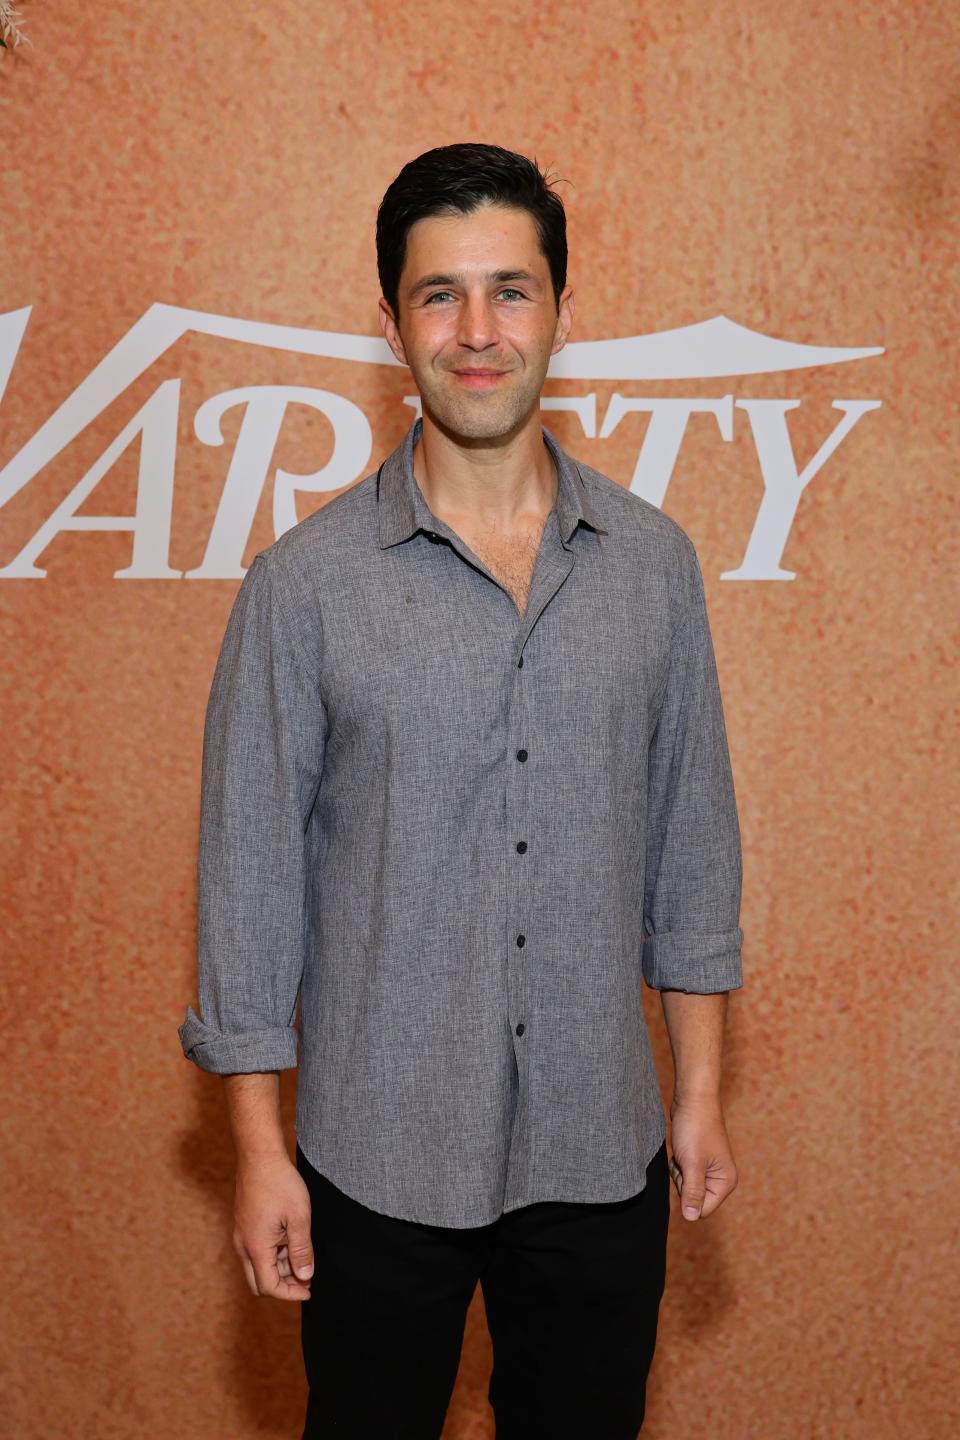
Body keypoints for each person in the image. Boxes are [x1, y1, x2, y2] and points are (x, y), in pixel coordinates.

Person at [179, 141, 745, 1440]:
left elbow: (692, 843)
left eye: (511, 290)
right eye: (441, 295)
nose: (478, 332)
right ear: (392, 322)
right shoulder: (304, 586)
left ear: (559, 307)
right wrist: (261, 1152)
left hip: (602, 1147)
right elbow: (250, 881)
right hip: (374, 1152)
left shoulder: (655, 566)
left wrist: (698, 1093)